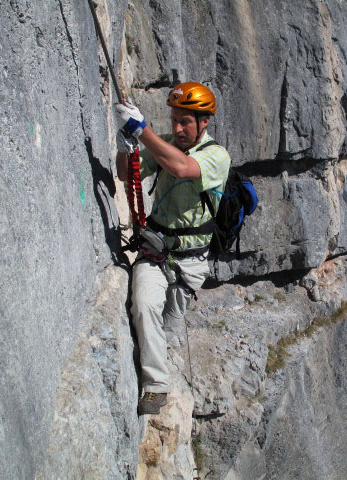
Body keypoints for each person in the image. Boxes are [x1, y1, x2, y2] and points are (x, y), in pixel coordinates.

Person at [115, 82, 230, 414]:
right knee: (145, 304)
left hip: (190, 263)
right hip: (156, 249)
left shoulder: (216, 156)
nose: (177, 129)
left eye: (186, 122)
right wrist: (127, 147)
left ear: (204, 122)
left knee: (170, 329)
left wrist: (141, 130)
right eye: (174, 120)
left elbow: (182, 169)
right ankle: (157, 387)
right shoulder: (164, 144)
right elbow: (127, 175)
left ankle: (165, 364)